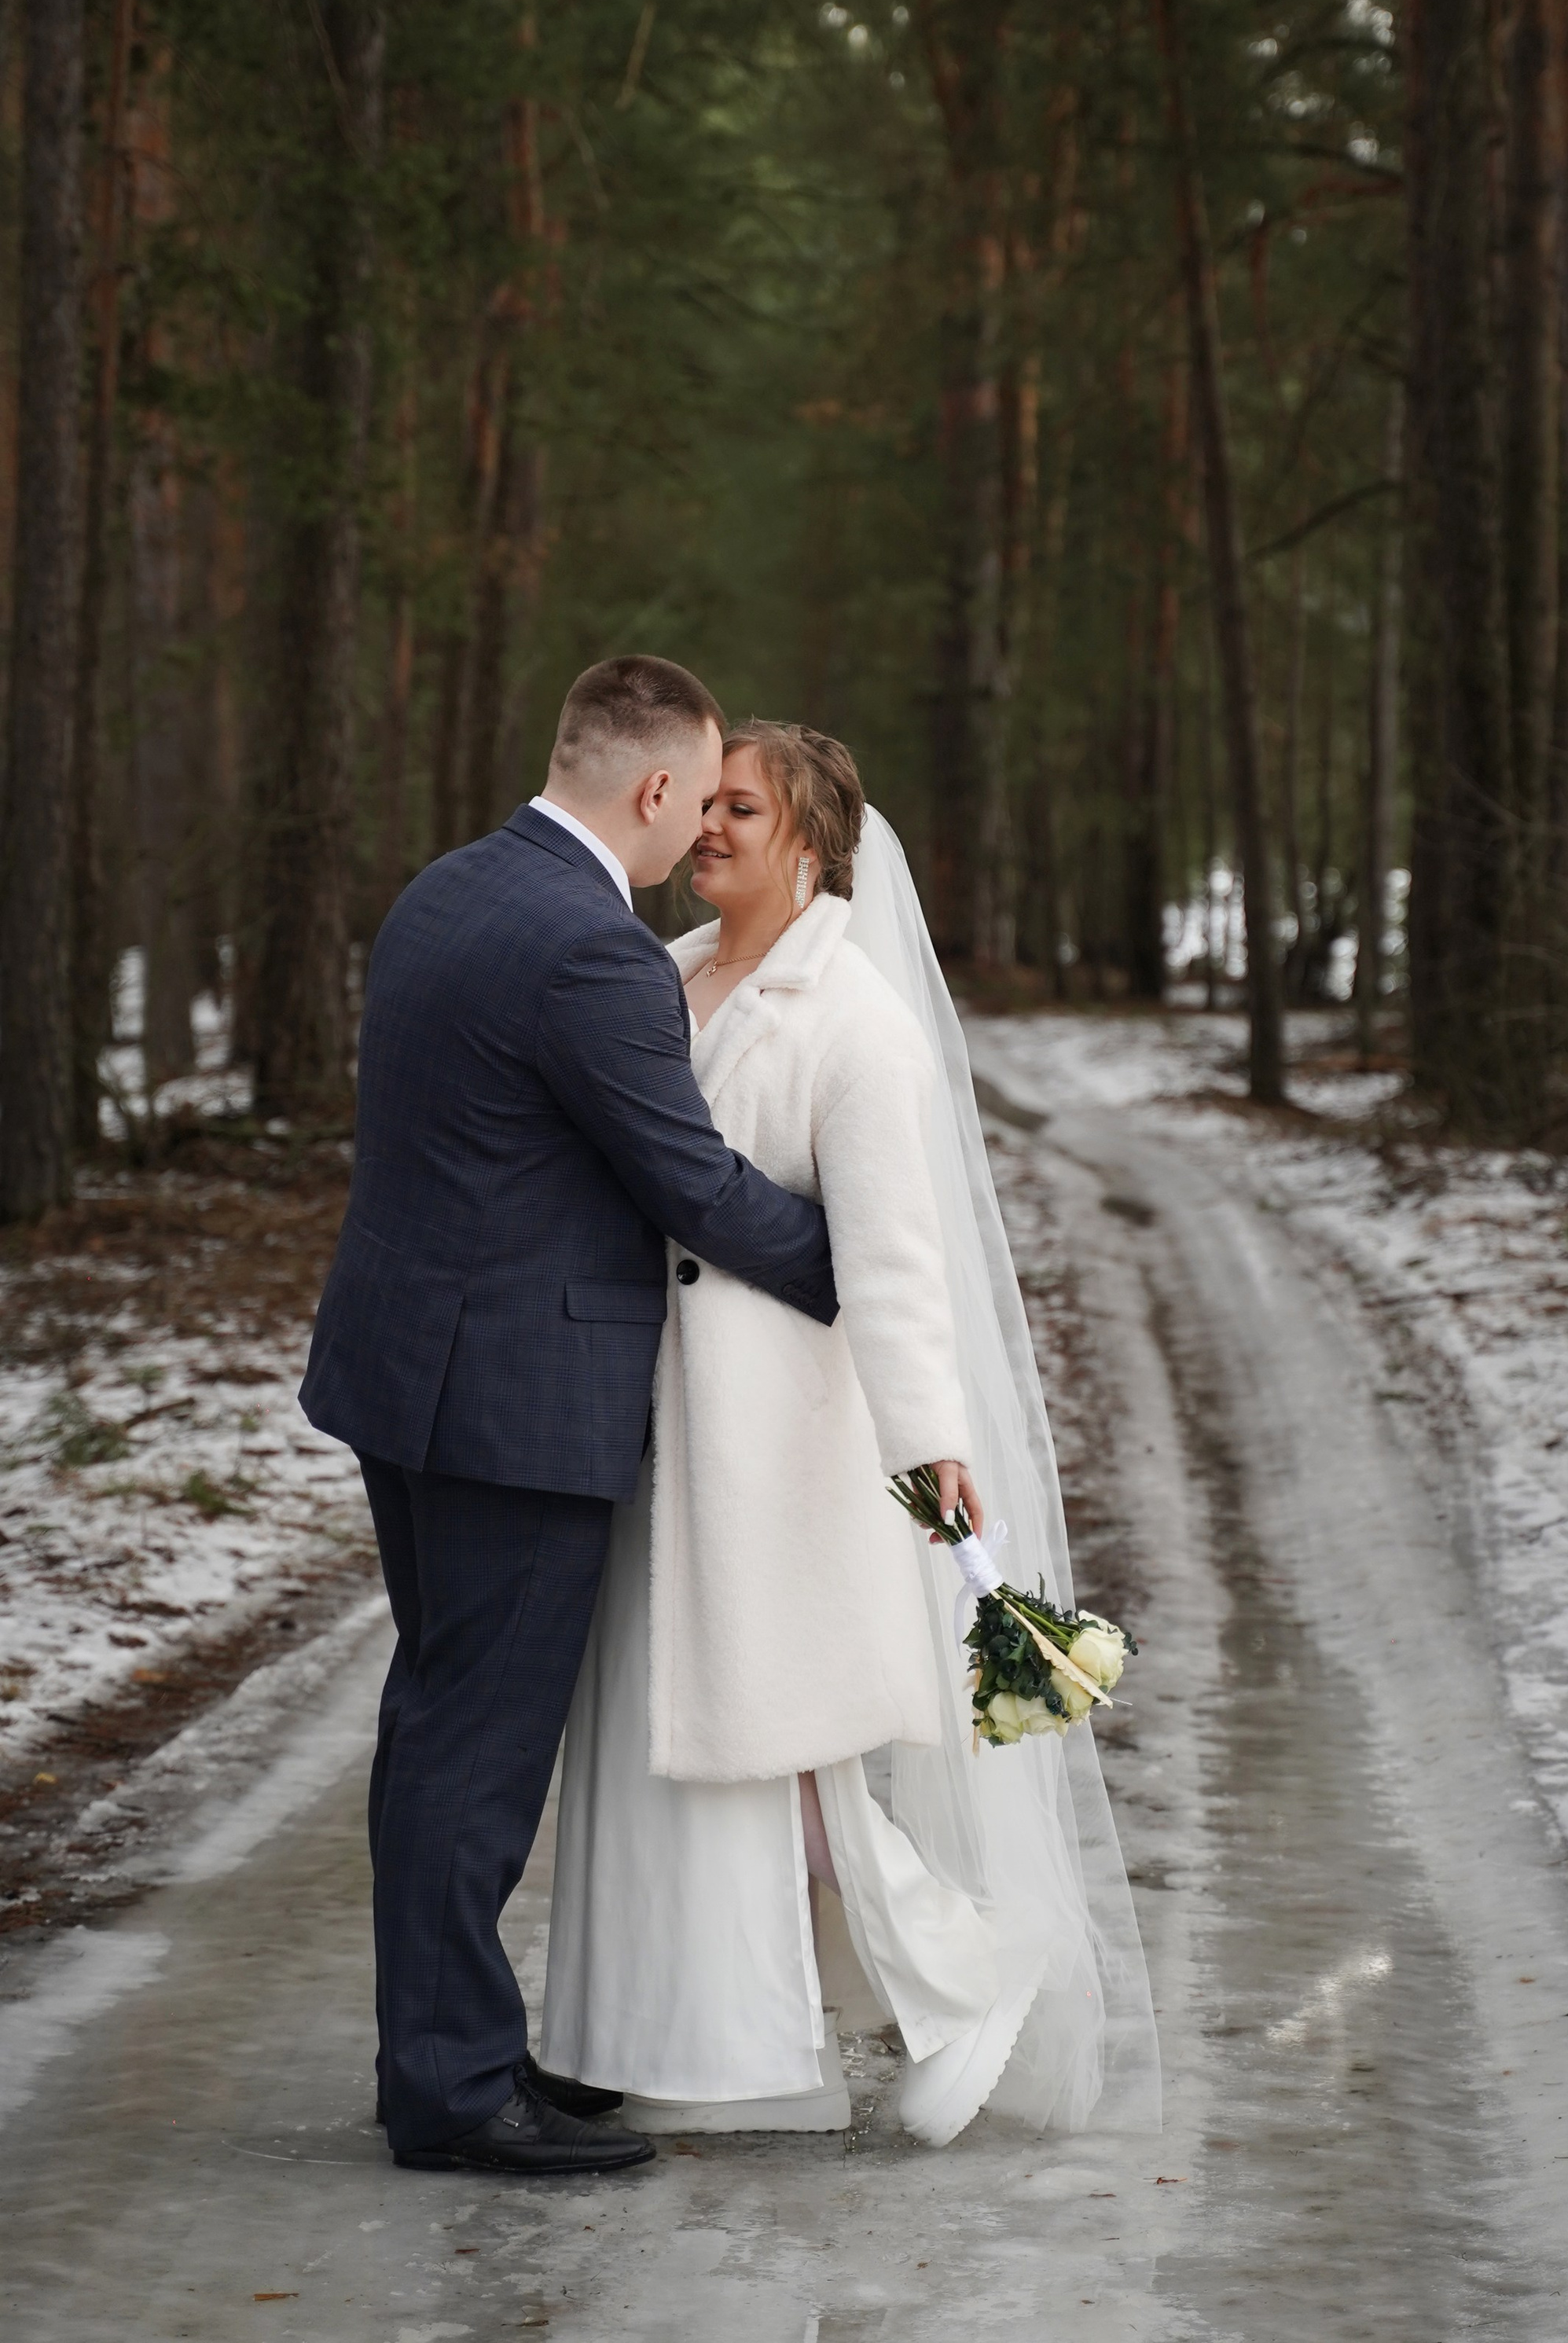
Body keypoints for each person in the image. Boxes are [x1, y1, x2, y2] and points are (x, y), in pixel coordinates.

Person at [540, 723, 1159, 2143]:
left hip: (776, 1441)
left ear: (813, 842)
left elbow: (893, 1262)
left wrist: (932, 1441)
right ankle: (677, 2036)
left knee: (769, 1745)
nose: (706, 827)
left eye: (737, 808)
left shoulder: (859, 1020)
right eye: (703, 803)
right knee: (675, 1734)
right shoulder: (672, 978)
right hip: (648, 1428)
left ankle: (947, 1978)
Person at [305, 658, 864, 2176]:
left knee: (437, 1720)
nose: (696, 831)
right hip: (510, 1402)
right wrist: (859, 1263)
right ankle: (448, 2091)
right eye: (696, 796)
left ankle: (450, 2054)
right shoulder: (594, 954)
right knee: (474, 1750)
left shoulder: (446, 891)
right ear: (656, 787)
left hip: (403, 1374)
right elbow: (687, 1180)